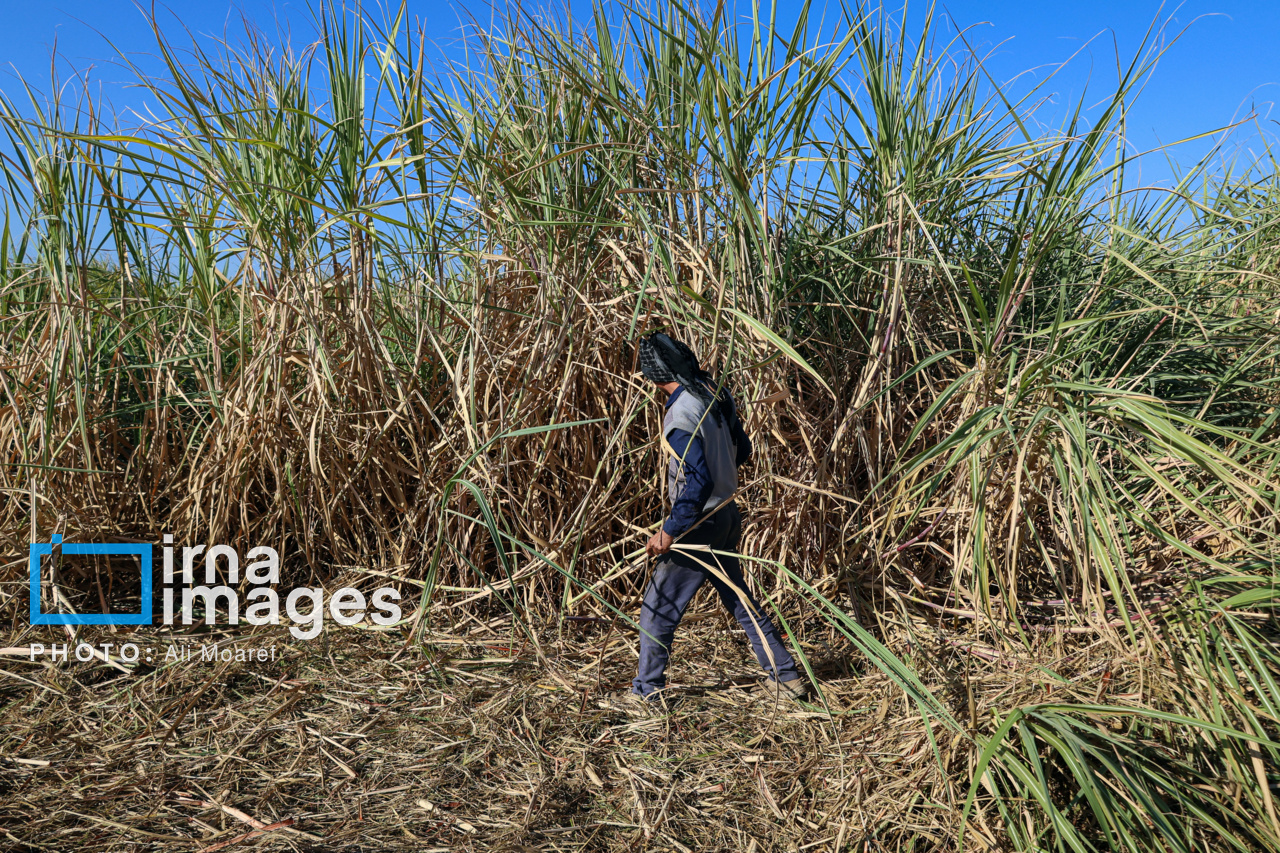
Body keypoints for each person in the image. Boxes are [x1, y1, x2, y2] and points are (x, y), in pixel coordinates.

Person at [609, 331, 807, 710]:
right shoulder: (713, 393)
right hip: (727, 514)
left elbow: (697, 480)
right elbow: (743, 448)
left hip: (699, 524)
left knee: (657, 609)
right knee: (741, 603)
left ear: (652, 375)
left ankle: (646, 693)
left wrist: (669, 529)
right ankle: (786, 677)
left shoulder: (680, 415)